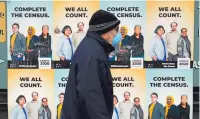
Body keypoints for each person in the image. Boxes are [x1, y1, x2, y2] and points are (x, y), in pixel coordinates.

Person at [61, 9, 121, 119]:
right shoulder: (92, 54)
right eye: (116, 30)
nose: (118, 34)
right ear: (105, 30)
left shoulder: (93, 47)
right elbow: (91, 97)